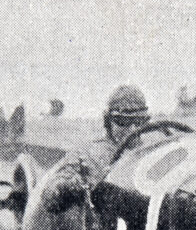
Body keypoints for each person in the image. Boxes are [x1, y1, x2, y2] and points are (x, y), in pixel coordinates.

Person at [42, 84, 150, 214]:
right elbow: (50, 197)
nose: (133, 129)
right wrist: (71, 186)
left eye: (139, 121)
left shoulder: (153, 151)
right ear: (108, 121)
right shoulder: (87, 154)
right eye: (122, 122)